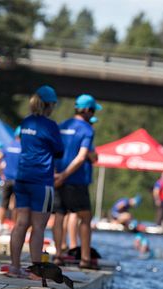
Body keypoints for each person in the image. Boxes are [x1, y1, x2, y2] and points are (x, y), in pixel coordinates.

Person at [7, 86, 63, 278]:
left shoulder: (25, 122)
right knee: (38, 226)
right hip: (41, 181)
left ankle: (14, 267)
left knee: (21, 223)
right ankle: (36, 271)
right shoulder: (50, 126)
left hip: (22, 178)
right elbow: (59, 151)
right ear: (49, 105)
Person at [53, 94, 101, 269]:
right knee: (86, 218)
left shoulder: (61, 126)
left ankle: (58, 256)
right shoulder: (87, 130)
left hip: (56, 177)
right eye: (93, 110)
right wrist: (64, 175)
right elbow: (82, 158)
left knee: (59, 216)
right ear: (87, 110)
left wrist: (55, 175)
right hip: (76, 180)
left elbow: (52, 151)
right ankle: (85, 260)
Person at [0, 127, 22, 225]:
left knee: (3, 202)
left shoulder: (8, 145)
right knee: (16, 204)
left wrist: (0, 173)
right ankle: (15, 226)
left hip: (6, 179)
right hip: (18, 180)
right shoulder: (23, 147)